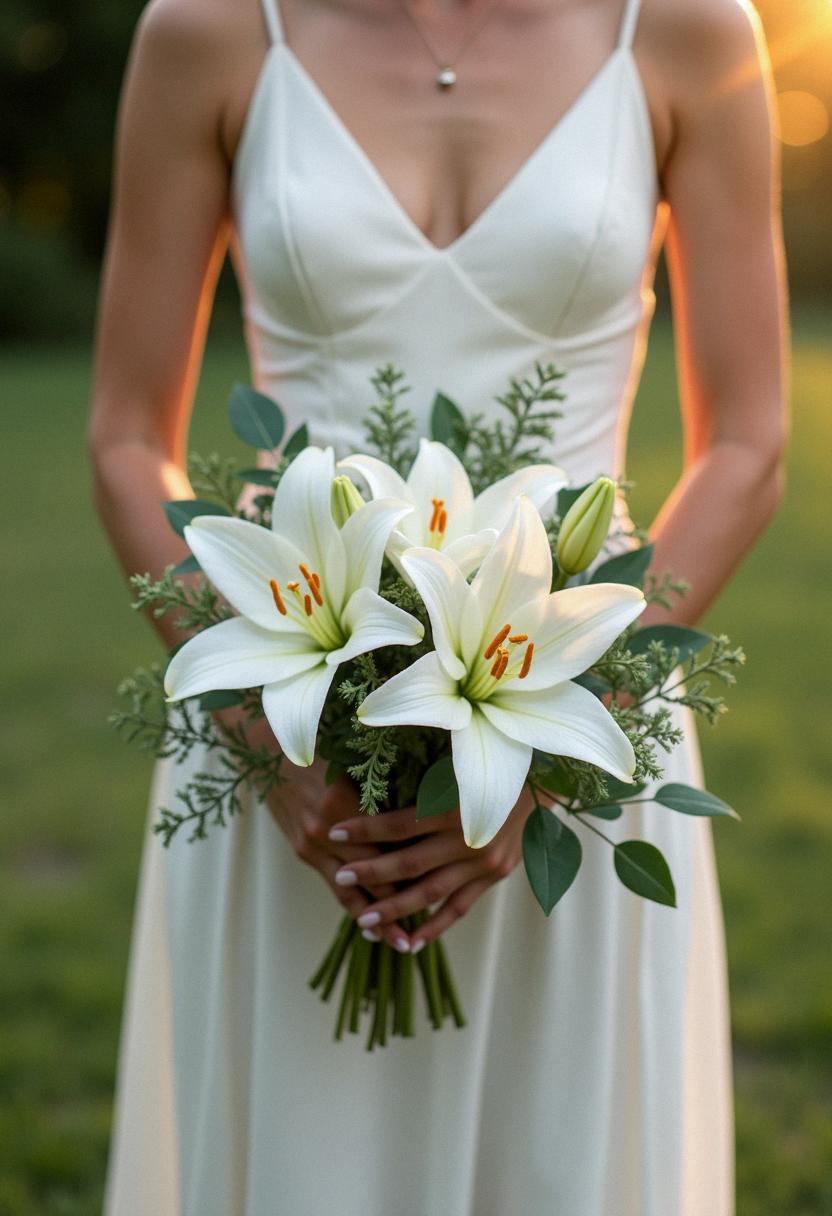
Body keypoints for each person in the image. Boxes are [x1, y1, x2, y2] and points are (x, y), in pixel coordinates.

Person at [89, 0, 787, 1211]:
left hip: (577, 695)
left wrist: (555, 751)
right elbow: (121, 436)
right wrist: (266, 738)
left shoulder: (686, 30)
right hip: (290, 710)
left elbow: (748, 442)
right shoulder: (208, 31)